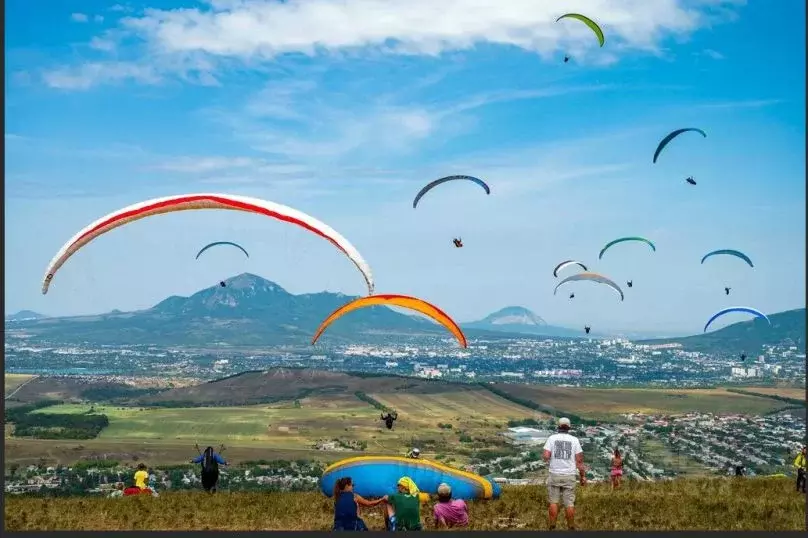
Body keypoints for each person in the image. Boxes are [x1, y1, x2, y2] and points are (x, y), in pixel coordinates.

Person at [543, 417, 586, 531]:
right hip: (569, 475)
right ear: (569, 428)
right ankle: (571, 527)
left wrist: (550, 459)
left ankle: (552, 526)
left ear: (558, 426)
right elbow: (580, 461)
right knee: (569, 504)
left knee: (553, 502)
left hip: (554, 474)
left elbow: (546, 456)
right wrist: (583, 477)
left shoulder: (552, 438)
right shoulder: (574, 440)